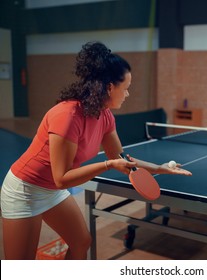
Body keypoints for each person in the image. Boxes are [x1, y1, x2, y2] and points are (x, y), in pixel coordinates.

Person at [1, 41, 192, 260]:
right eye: (126, 87)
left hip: (50, 189)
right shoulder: (67, 116)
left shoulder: (105, 115)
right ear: (110, 87)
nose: (128, 94)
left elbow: (119, 158)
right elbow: (62, 178)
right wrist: (107, 165)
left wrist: (161, 169)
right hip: (25, 190)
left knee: (82, 241)